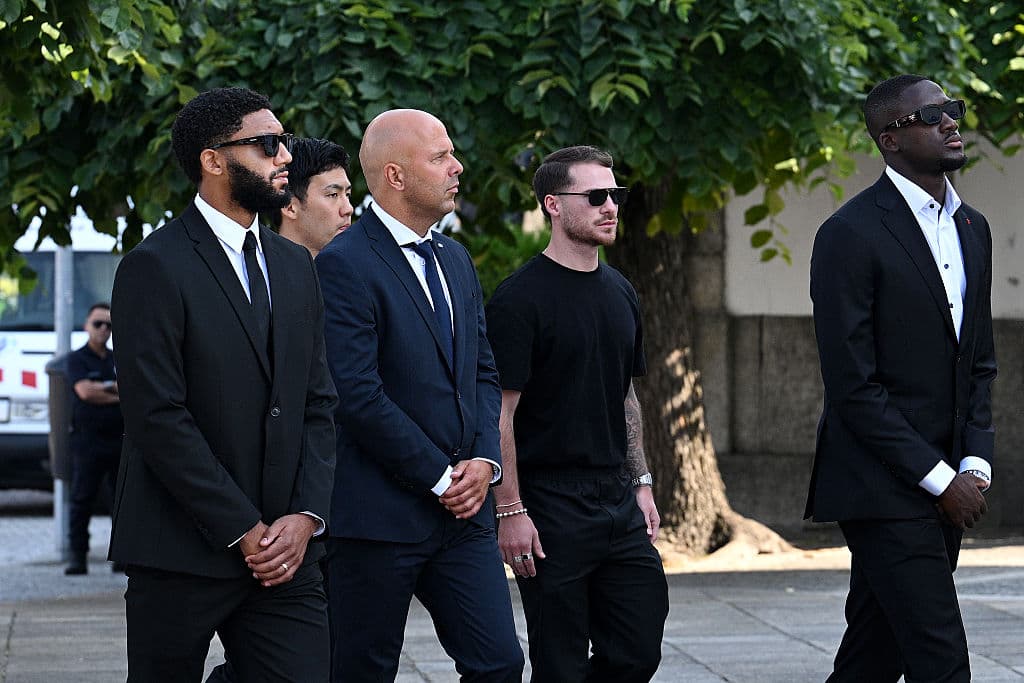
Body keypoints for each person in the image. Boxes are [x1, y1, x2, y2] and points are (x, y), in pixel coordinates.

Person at [109, 87, 338, 683]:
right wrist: (243, 527)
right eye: (267, 145)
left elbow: (318, 403)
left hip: (287, 557)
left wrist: (307, 515)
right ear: (214, 159)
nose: (284, 155)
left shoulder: (293, 267)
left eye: (283, 142)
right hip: (179, 549)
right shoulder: (153, 266)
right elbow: (157, 415)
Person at [315, 108, 524, 682]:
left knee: (500, 664)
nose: (457, 167)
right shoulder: (342, 264)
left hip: (464, 518)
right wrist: (440, 476)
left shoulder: (455, 258)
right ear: (395, 176)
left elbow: (483, 370)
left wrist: (484, 461)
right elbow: (357, 394)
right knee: (360, 671)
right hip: (378, 518)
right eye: (440, 157)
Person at [806, 74, 997, 682]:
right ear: (890, 139)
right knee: (941, 660)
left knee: (873, 652)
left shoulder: (974, 228)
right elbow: (853, 387)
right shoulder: (849, 235)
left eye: (953, 110)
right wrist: (941, 481)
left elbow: (979, 359)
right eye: (932, 115)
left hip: (948, 480)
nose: (950, 122)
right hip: (879, 483)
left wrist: (974, 464)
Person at [485, 145, 669, 681]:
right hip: (549, 506)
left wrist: (641, 481)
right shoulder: (518, 300)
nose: (610, 206)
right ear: (553, 205)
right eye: (594, 196)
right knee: (560, 662)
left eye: (616, 195)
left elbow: (625, 396)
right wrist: (510, 510)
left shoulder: (621, 292)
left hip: (616, 499)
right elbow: (500, 414)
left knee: (637, 650)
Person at [64, 302, 122, 576]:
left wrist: (104, 390)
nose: (103, 330)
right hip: (88, 441)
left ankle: (122, 556)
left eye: (108, 325)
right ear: (87, 325)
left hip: (118, 439)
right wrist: (113, 390)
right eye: (98, 324)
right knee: (81, 499)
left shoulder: (117, 358)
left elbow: (131, 392)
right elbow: (85, 392)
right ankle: (78, 556)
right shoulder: (76, 359)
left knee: (120, 502)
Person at [270, 136, 354, 256]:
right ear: (289, 207)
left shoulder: (356, 271)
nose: (348, 209)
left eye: (347, 195)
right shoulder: (258, 272)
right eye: (333, 194)